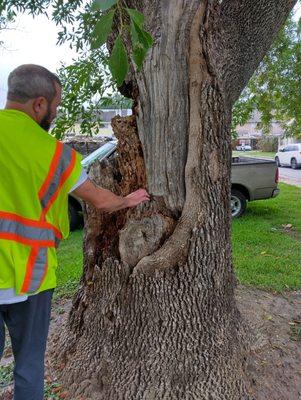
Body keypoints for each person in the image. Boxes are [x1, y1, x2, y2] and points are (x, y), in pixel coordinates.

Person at [0, 64, 150, 400]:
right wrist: (127, 198)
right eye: (54, 107)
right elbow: (99, 199)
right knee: (28, 366)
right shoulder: (54, 153)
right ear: (39, 104)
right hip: (31, 277)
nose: (54, 114)